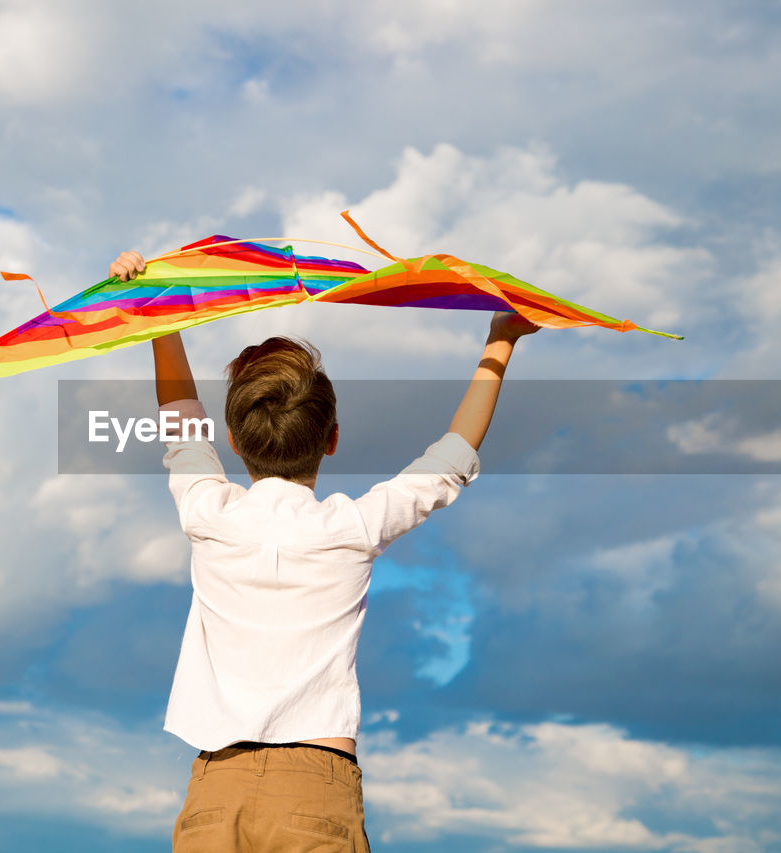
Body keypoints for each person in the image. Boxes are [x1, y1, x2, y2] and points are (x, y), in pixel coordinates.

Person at [108, 250, 540, 852]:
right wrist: (501, 341)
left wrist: (157, 308)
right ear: (332, 438)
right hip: (317, 787)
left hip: (216, 789)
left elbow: (179, 415)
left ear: (231, 441)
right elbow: (451, 459)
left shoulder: (208, 514)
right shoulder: (352, 528)